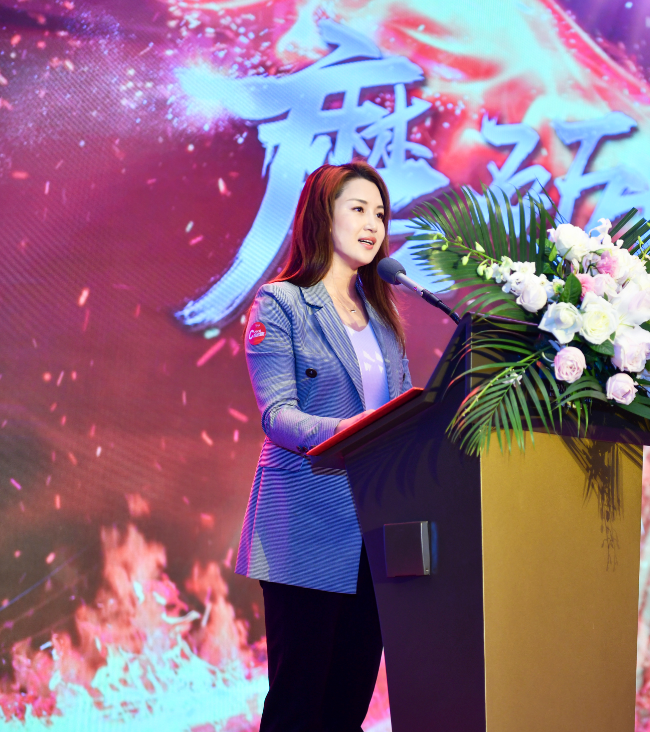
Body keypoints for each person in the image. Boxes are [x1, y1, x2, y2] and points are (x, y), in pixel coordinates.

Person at [235, 161, 412, 732]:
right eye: (358, 209)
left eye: (380, 213)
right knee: (298, 704)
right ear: (322, 216)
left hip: (375, 531)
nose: (373, 224)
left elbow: (405, 413)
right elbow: (277, 416)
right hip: (305, 524)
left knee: (346, 706)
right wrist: (349, 429)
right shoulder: (281, 303)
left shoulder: (383, 315)